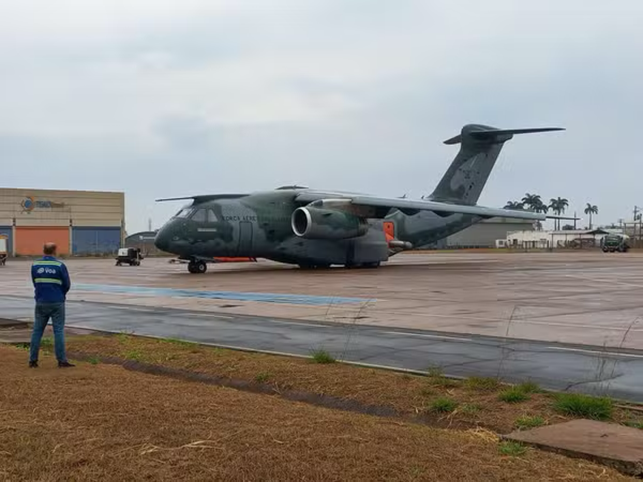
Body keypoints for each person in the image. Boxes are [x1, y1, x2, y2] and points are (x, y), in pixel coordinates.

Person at [28, 242, 74, 368]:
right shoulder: (59, 265)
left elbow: (35, 282)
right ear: (55, 251)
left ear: (44, 250)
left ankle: (33, 360)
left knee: (37, 331)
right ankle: (61, 360)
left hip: (41, 301)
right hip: (57, 302)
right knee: (58, 331)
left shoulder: (35, 265)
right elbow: (67, 284)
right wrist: (61, 294)